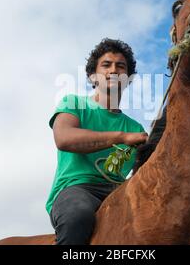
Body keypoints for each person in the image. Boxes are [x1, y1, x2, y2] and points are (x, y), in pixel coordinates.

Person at [46, 38, 148, 245]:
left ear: (128, 78)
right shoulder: (73, 103)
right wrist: (121, 137)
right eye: (106, 65)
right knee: (78, 217)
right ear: (93, 76)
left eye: (121, 66)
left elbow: (144, 172)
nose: (114, 70)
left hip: (120, 192)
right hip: (76, 188)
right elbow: (64, 138)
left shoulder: (136, 129)